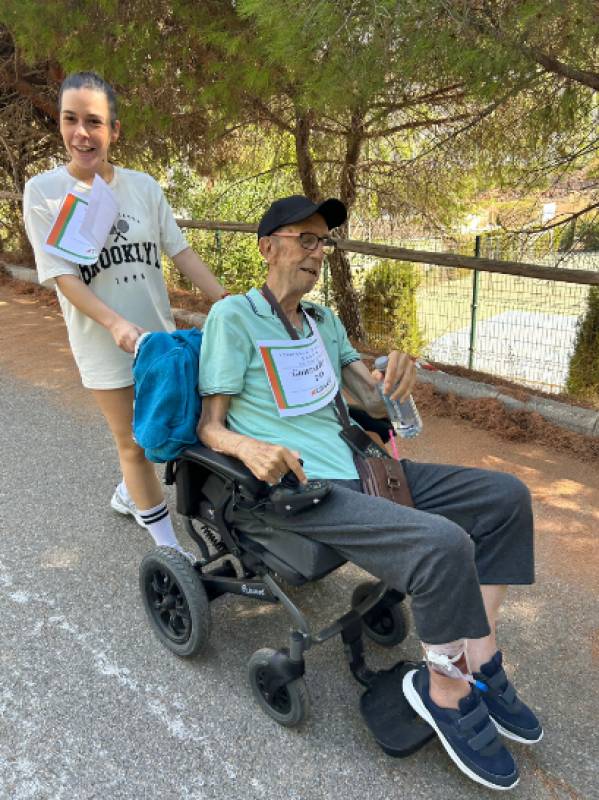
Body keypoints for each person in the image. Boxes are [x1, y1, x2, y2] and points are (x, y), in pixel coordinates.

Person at [197, 194, 542, 791]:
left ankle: (481, 659)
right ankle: (445, 690)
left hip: (365, 467)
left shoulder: (324, 321)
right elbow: (210, 425)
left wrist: (396, 379)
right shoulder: (233, 317)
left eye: (322, 242)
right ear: (267, 246)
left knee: (506, 497)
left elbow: (373, 398)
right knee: (441, 545)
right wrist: (248, 448)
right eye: (304, 238)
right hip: (304, 489)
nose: (316, 252)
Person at [23, 71, 226, 555]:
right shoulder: (45, 192)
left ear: (114, 129)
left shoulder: (142, 187)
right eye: (70, 120)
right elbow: (61, 275)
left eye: (94, 121)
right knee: (133, 442)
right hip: (104, 342)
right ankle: (168, 548)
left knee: (179, 424)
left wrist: (228, 300)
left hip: (160, 339)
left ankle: (126, 491)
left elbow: (180, 252)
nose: (81, 133)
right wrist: (114, 323)